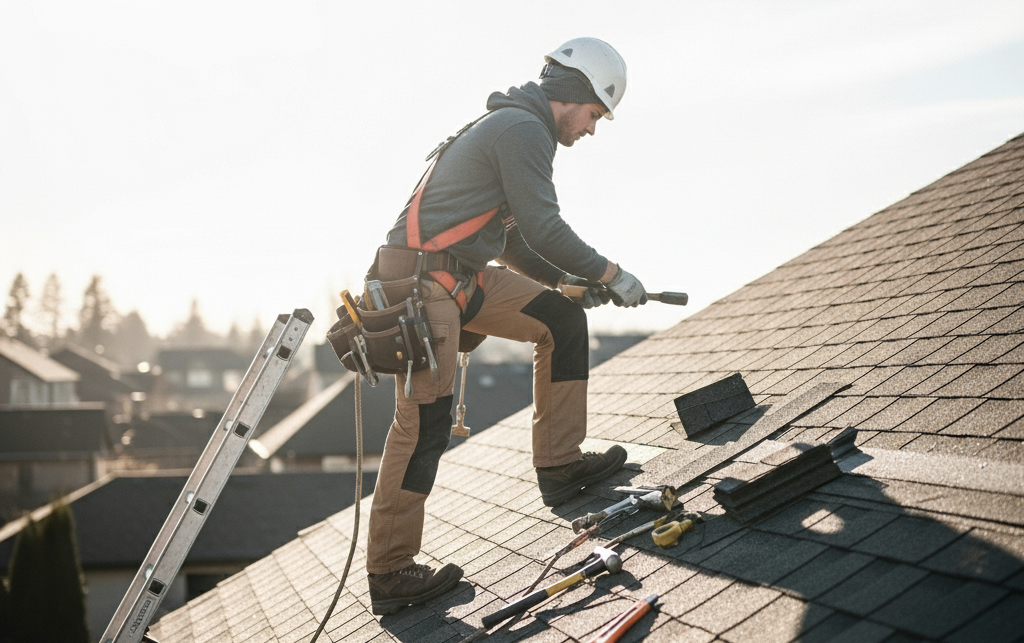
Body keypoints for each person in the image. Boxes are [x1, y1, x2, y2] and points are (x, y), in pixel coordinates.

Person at [363, 37, 647, 615]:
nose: (592, 129)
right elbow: (544, 226)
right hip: (423, 286)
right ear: (574, 95)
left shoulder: (515, 127)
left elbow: (516, 240)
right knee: (424, 422)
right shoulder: (523, 130)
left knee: (560, 318)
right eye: (595, 114)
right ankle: (391, 570)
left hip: (456, 278)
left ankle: (560, 464)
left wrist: (571, 282)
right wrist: (611, 272)